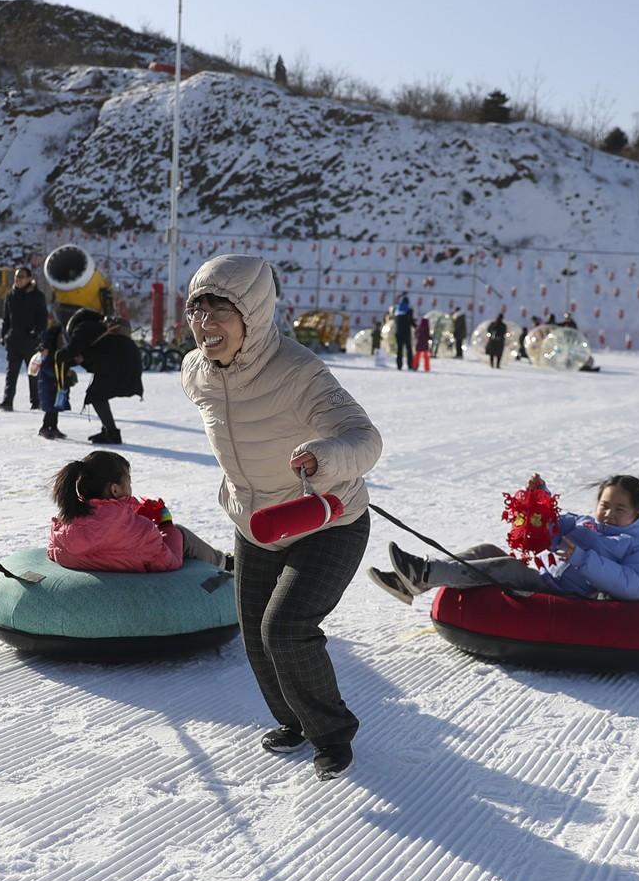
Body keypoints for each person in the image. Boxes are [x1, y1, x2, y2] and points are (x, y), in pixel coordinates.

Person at [181, 254, 383, 782]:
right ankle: (293, 719)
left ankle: (331, 733)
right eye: (197, 311)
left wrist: (325, 456)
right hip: (258, 522)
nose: (205, 324)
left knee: (286, 628)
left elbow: (366, 440)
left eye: (219, 311)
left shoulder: (300, 372)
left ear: (252, 312)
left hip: (328, 519)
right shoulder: (195, 373)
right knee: (254, 634)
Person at [371, 474, 639, 603]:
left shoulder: (638, 546)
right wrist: (541, 497)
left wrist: (583, 559)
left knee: (509, 569)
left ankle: (422, 572)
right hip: (546, 577)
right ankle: (410, 582)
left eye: (620, 509)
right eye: (604, 505)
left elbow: (634, 586)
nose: (608, 513)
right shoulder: (586, 522)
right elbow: (551, 524)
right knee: (488, 549)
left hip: (572, 596)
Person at [46, 449, 229, 572]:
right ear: (115, 489)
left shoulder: (66, 522)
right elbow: (167, 562)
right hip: (137, 576)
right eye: (129, 482)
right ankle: (225, 564)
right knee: (180, 534)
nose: (131, 488)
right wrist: (166, 525)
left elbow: (57, 550)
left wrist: (132, 517)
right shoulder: (142, 530)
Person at [60, 306, 142, 444]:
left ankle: (112, 434)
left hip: (118, 363)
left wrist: (55, 357)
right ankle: (108, 431)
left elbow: (71, 352)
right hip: (130, 360)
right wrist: (82, 360)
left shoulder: (84, 327)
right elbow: (99, 353)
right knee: (99, 394)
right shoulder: (100, 328)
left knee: (97, 395)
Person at [0, 265, 49, 411]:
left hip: (31, 342)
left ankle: (36, 402)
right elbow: (6, 318)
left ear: (29, 279)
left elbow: (43, 318)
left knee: (33, 373)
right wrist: (4, 336)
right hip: (14, 341)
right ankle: (7, 402)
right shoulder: (10, 295)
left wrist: (37, 333)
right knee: (11, 373)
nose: (18, 280)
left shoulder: (37, 296)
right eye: (16, 277)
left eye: (21, 277)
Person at [33, 317, 69, 440]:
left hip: (56, 382)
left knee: (56, 407)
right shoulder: (47, 352)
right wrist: (58, 375)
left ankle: (53, 427)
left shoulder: (57, 351)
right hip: (48, 383)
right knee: (50, 408)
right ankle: (45, 427)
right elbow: (45, 368)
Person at [391, 293, 415, 370]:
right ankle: (410, 365)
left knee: (399, 349)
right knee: (408, 349)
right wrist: (416, 326)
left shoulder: (397, 310)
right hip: (406, 333)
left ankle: (399, 365)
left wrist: (400, 295)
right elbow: (411, 321)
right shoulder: (409, 310)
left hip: (398, 333)